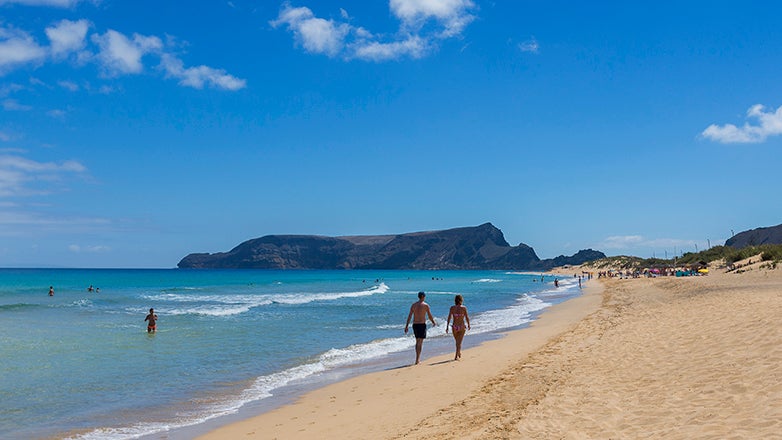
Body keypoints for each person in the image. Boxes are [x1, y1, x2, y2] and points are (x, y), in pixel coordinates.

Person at [404, 291, 436, 365]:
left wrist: (406, 326)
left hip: (415, 325)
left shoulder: (413, 305)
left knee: (417, 341)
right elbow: (430, 316)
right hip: (422, 325)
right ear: (423, 296)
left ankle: (417, 359)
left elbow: (409, 316)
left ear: (418, 297)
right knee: (420, 342)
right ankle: (417, 359)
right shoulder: (426, 305)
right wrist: (433, 322)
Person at [446, 294, 471, 360]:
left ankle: (458, 352)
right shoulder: (464, 308)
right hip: (462, 326)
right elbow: (467, 317)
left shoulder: (452, 308)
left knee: (457, 342)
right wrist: (468, 325)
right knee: (458, 342)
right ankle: (456, 355)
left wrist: (447, 326)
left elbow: (449, 317)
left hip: (454, 326)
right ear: (461, 300)